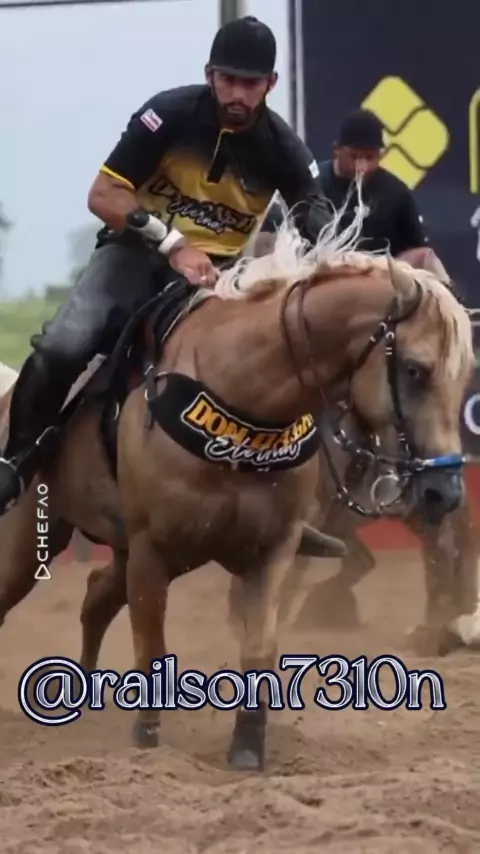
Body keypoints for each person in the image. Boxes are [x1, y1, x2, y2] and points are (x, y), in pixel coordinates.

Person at [0, 15, 332, 516]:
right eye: (228, 79)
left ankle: (278, 503)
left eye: (251, 83)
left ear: (271, 84)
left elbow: (315, 215)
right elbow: (103, 194)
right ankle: (15, 461)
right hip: (133, 253)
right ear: (209, 74)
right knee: (65, 343)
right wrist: (173, 243)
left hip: (216, 278)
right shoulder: (168, 114)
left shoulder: (286, 149)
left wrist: (331, 240)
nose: (237, 94)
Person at [261, 109, 446, 272]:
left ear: (381, 155)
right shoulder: (309, 184)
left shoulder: (396, 194)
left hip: (378, 279)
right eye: (355, 156)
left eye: (370, 157)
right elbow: (274, 236)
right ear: (336, 150)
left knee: (426, 256)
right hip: (316, 276)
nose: (362, 166)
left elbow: (416, 250)